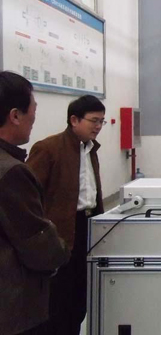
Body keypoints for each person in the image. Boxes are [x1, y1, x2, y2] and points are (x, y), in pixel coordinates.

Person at [27, 95, 106, 334]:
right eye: (93, 120)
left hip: (87, 227)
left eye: (101, 121)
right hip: (61, 232)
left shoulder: (90, 149)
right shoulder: (48, 149)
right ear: (74, 120)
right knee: (59, 298)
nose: (98, 126)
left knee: (80, 295)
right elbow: (28, 195)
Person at [0, 71, 70, 335]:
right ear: (15, 115)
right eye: (33, 110)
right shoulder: (12, 172)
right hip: (12, 307)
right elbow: (37, 244)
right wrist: (62, 252)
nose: (34, 118)